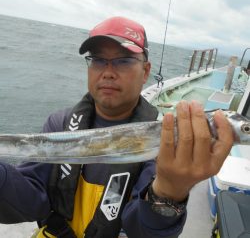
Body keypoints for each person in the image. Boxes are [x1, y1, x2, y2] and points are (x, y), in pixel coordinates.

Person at [0, 16, 233, 238]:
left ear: (146, 71)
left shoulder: (162, 140)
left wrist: (169, 192)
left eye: (124, 60)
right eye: (98, 60)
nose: (108, 73)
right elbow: (28, 203)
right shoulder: (59, 124)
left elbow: (142, 231)